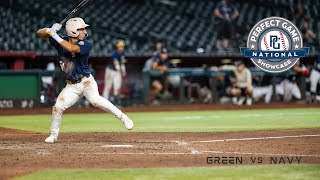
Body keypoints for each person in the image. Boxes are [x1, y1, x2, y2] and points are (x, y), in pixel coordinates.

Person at [37, 18, 133, 143]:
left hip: (86, 82)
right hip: (71, 86)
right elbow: (39, 33)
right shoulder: (60, 40)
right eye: (81, 29)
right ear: (73, 31)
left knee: (96, 101)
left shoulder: (85, 44)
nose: (84, 31)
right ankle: (54, 135)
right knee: (57, 107)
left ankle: (122, 117)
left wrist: (54, 35)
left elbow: (71, 48)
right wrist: (49, 30)